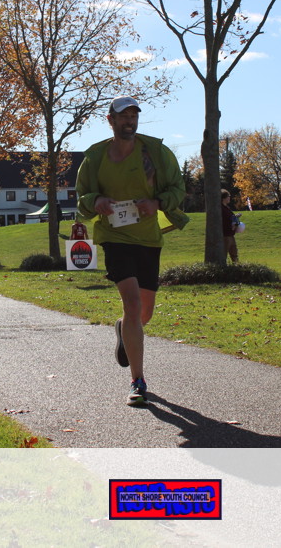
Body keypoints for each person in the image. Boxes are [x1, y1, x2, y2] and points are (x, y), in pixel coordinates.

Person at [76, 95, 188, 406]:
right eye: (124, 116)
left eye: (134, 116)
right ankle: (138, 382)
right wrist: (96, 201)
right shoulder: (95, 157)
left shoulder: (155, 152)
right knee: (133, 302)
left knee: (144, 313)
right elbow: (82, 197)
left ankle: (124, 330)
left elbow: (178, 188)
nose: (130, 121)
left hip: (148, 238)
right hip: (114, 236)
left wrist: (157, 202)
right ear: (110, 120)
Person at [220, 189, 239, 263]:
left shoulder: (227, 208)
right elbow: (225, 219)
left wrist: (236, 218)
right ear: (223, 198)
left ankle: (236, 267)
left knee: (234, 254)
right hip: (225, 235)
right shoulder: (221, 208)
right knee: (224, 254)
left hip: (231, 234)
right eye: (228, 196)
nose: (229, 198)